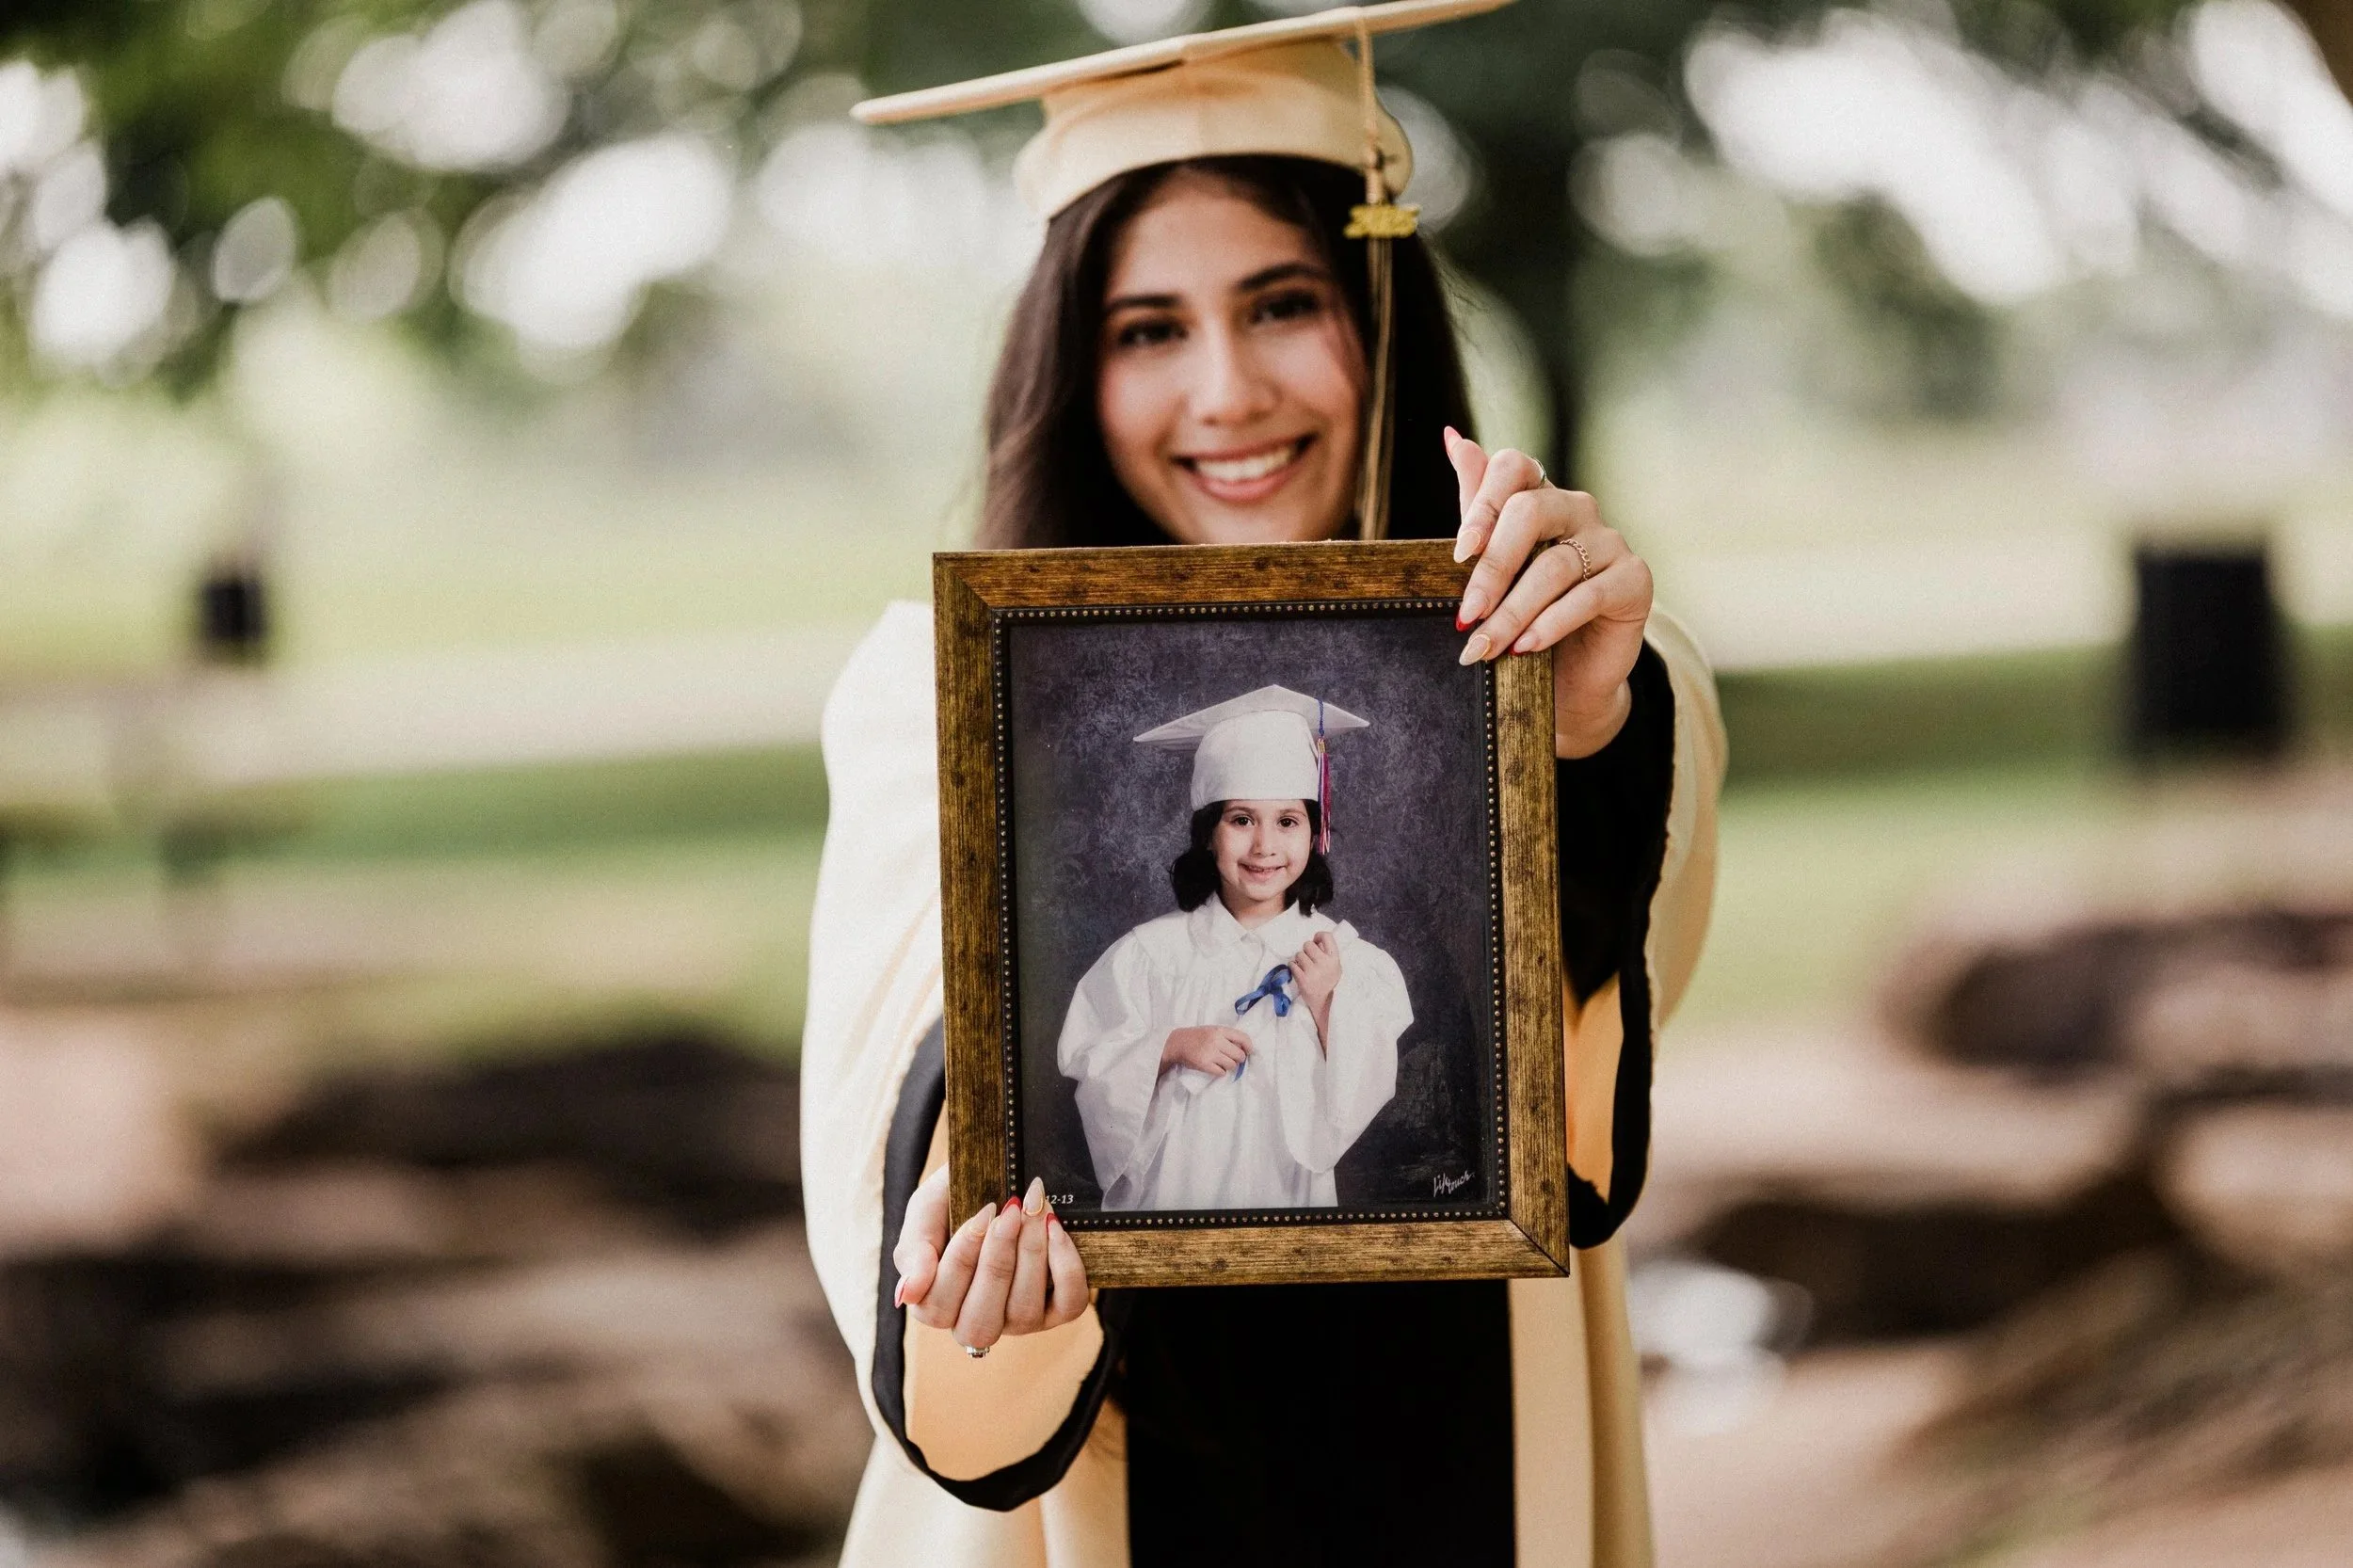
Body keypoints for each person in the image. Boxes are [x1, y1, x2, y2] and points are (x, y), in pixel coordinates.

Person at [797, 2, 1727, 1564]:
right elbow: (907, 1160)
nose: (1224, 390)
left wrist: (1579, 725)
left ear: (1380, 311)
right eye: (1148, 328)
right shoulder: (926, 701)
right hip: (1107, 1475)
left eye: (1283, 302)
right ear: (1073, 368)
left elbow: (1551, 1108)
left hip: (1469, 1435)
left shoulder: (1580, 670)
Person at [1060, 686, 1411, 1211]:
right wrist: (1171, 1045)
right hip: (1173, 1207)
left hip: (1291, 1209)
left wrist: (1325, 1005)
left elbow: (1365, 1087)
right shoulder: (1150, 956)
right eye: (1242, 819)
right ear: (1208, 834)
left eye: (1288, 821)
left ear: (1315, 832)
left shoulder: (1347, 960)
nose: (1265, 846)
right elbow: (1090, 1061)